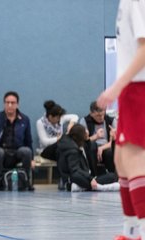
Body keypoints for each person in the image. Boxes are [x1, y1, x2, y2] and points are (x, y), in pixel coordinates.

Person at [97, 1, 145, 239]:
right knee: (121, 160)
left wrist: (116, 86)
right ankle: (131, 229)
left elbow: (144, 49)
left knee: (135, 161)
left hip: (138, 88)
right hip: (130, 91)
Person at [0, 91, 35, 191]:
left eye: (13, 103)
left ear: (17, 104)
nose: (10, 105)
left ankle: (26, 181)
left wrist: (32, 159)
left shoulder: (24, 119)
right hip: (1, 151)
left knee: (26, 151)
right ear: (4, 104)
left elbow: (29, 141)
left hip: (17, 152)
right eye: (7, 102)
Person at [57, 124, 119, 192]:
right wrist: (90, 178)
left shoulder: (84, 145)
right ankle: (84, 187)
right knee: (113, 177)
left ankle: (82, 187)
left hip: (87, 176)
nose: (87, 132)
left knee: (112, 177)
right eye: (84, 132)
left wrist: (113, 140)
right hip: (80, 177)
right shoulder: (72, 150)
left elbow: (88, 144)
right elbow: (75, 171)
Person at [79, 101, 117, 174]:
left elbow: (115, 142)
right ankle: (93, 175)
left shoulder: (111, 120)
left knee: (109, 152)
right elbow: (82, 141)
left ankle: (112, 175)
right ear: (91, 113)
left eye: (103, 114)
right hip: (91, 148)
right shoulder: (84, 121)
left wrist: (102, 148)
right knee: (92, 145)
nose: (101, 118)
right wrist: (95, 136)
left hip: (106, 147)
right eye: (98, 115)